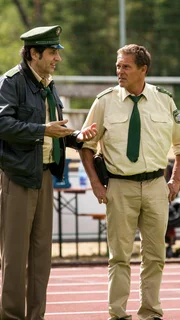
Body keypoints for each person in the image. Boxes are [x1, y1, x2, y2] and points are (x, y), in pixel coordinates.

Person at [0, 25, 97, 320]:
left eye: (57, 52)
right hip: (17, 177)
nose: (58, 58)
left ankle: (35, 316)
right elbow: (3, 125)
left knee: (41, 257)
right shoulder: (11, 82)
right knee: (15, 257)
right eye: (53, 52)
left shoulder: (48, 84)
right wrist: (43, 130)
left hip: (44, 176)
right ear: (34, 53)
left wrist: (75, 137)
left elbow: (54, 131)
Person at [80, 44, 180, 320]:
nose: (119, 71)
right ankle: (118, 314)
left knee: (155, 256)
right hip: (119, 186)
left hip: (155, 186)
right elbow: (85, 146)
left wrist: (175, 181)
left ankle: (150, 312)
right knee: (119, 257)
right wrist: (96, 185)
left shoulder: (165, 100)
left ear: (143, 70)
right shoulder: (104, 101)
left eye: (126, 66)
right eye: (118, 66)